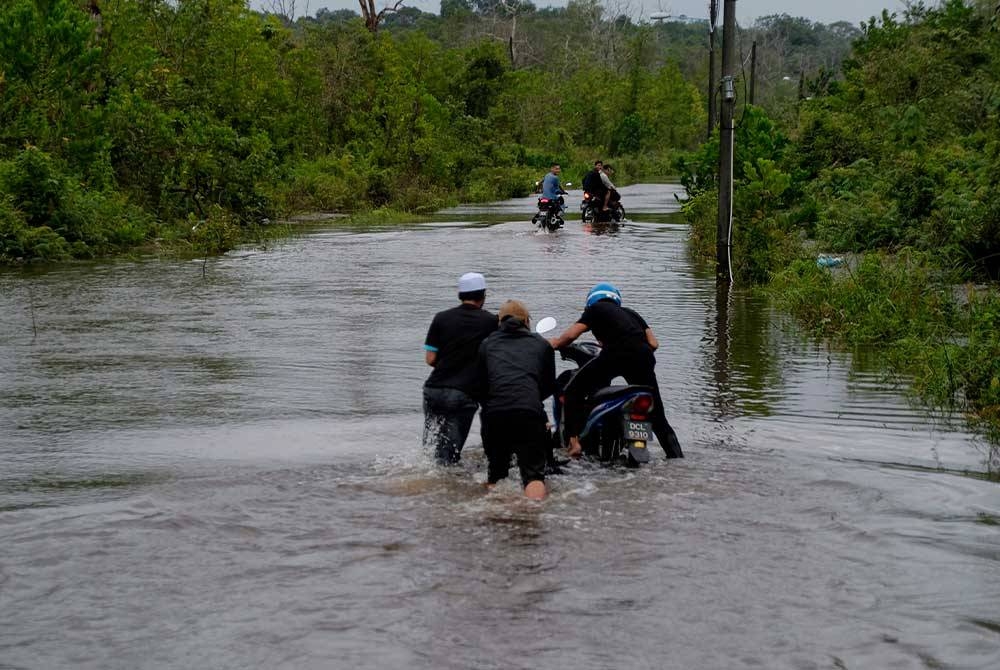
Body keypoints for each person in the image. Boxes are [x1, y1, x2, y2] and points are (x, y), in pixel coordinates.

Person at [548, 283, 683, 460]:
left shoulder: (595, 309)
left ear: (590, 301)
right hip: (643, 357)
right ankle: (676, 457)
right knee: (657, 414)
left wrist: (555, 343)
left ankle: (574, 443)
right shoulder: (631, 313)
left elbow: (572, 335)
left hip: (616, 354)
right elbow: (653, 344)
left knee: (574, 389)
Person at [474, 300, 556, 500]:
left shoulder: (487, 344)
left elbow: (480, 386)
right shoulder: (541, 344)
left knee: (496, 474)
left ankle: (495, 516)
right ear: (527, 321)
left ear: (500, 322)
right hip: (529, 412)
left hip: (495, 414)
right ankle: (533, 514)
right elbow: (548, 386)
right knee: (534, 475)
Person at [423, 272, 498, 464]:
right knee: (449, 457)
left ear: (460, 295)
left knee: (430, 448)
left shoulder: (441, 318)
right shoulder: (491, 321)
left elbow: (430, 359)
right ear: (483, 296)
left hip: (433, 390)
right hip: (463, 394)